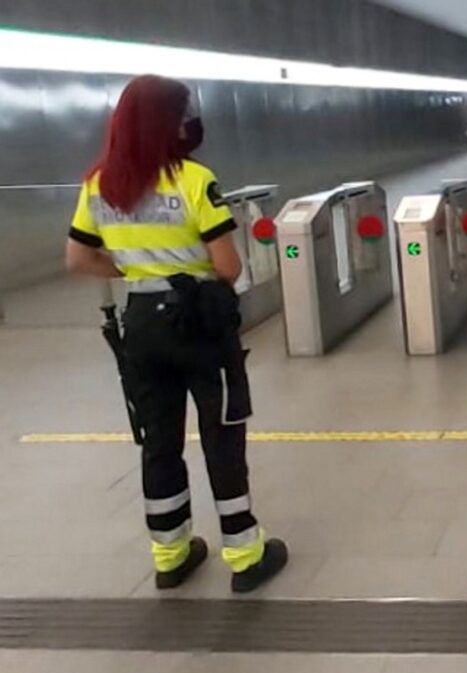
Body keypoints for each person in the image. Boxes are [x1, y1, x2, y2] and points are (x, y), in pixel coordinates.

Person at [66, 75, 287, 592]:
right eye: (185, 112)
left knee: (160, 441)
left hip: (141, 324)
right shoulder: (193, 180)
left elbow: (78, 258)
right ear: (170, 122)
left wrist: (138, 272)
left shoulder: (99, 184)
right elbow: (227, 265)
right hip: (200, 324)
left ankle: (170, 554)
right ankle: (245, 554)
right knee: (222, 435)